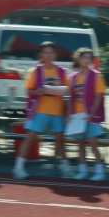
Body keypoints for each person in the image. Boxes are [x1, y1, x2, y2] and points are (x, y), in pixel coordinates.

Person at [13, 41, 70, 180]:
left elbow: (68, 91)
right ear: (40, 55)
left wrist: (66, 110)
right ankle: (18, 167)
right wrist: (38, 91)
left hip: (57, 110)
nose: (48, 55)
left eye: (51, 53)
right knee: (30, 137)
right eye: (45, 53)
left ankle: (65, 167)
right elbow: (29, 90)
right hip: (39, 110)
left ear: (56, 54)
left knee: (59, 140)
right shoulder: (34, 71)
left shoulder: (61, 71)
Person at [67, 47, 107, 182]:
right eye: (84, 57)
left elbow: (98, 96)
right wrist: (69, 114)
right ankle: (82, 170)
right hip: (77, 115)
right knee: (80, 144)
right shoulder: (73, 76)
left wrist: (91, 114)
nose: (87, 60)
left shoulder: (96, 75)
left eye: (89, 58)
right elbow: (70, 96)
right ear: (78, 59)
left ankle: (99, 171)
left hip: (90, 115)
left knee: (93, 143)